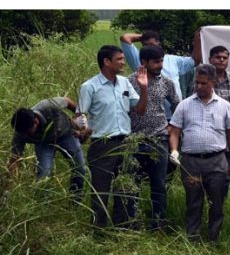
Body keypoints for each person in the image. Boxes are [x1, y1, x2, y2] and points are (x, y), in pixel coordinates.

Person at [78, 45, 149, 228]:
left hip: (125, 143)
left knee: (125, 188)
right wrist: (83, 128)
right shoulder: (90, 86)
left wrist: (144, 89)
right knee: (100, 190)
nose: (123, 62)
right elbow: (80, 115)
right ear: (106, 62)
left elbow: (140, 110)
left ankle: (123, 227)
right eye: (119, 59)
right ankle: (99, 229)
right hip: (102, 145)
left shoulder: (125, 82)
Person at [168, 64, 230, 243]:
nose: (199, 86)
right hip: (191, 162)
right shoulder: (185, 105)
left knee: (216, 202)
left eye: (204, 83)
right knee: (193, 202)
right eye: (197, 83)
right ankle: (193, 239)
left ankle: (214, 238)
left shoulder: (224, 106)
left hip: (217, 161)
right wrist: (175, 150)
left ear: (213, 82)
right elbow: (175, 131)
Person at [125, 45, 180, 230]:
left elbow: (178, 106)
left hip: (159, 140)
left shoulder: (166, 82)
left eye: (162, 61)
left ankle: (158, 223)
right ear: (144, 62)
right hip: (134, 140)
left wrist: (172, 127)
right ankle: (132, 223)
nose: (160, 65)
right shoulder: (128, 82)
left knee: (159, 185)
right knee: (133, 184)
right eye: (156, 62)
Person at [9, 97, 88, 199]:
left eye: (28, 132)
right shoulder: (20, 133)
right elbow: (15, 159)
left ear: (36, 121)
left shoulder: (49, 106)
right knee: (44, 175)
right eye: (22, 133)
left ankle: (75, 200)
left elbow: (67, 101)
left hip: (67, 134)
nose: (25, 136)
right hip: (44, 144)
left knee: (80, 168)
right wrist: (8, 187)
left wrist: (81, 121)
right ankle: (42, 203)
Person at [120, 29, 202, 105]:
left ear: (159, 44)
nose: (149, 48)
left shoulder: (172, 59)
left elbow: (195, 61)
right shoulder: (140, 60)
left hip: (175, 113)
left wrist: (198, 40)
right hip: (151, 115)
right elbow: (125, 38)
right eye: (145, 45)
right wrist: (146, 36)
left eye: (151, 44)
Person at [208, 45, 230, 109]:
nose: (222, 60)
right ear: (210, 60)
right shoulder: (204, 80)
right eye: (218, 57)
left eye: (225, 58)